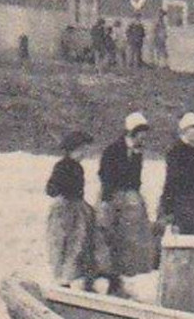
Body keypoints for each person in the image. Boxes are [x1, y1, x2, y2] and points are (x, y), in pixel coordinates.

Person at [96, 112, 155, 295]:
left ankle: (119, 280)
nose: (143, 136)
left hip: (131, 201)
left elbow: (135, 180)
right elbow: (104, 176)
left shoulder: (138, 152)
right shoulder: (113, 150)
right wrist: (107, 201)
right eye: (140, 132)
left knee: (129, 241)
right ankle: (108, 278)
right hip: (112, 198)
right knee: (108, 237)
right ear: (132, 132)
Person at [44, 130, 103, 288]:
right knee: (64, 243)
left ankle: (67, 278)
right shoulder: (62, 166)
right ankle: (62, 278)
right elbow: (51, 189)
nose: (85, 153)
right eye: (83, 150)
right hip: (65, 209)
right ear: (73, 149)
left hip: (77, 209)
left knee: (76, 244)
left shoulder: (77, 167)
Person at [160, 112, 194, 236]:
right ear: (184, 130)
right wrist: (168, 208)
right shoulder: (175, 151)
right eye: (193, 128)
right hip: (181, 201)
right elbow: (171, 180)